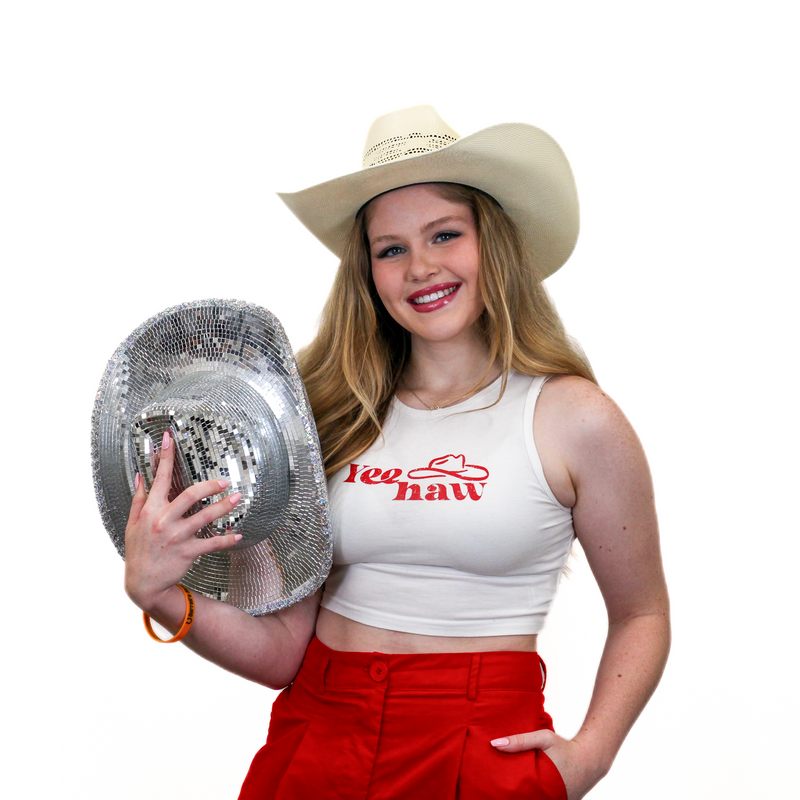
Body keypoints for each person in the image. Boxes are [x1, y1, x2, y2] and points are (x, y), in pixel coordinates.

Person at [123, 106, 670, 799]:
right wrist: (163, 594)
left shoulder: (575, 420)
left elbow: (642, 614)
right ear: (369, 272)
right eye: (391, 249)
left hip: (478, 745)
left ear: (489, 243)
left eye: (445, 234)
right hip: (318, 735)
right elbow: (286, 651)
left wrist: (588, 756)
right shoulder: (328, 415)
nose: (422, 268)